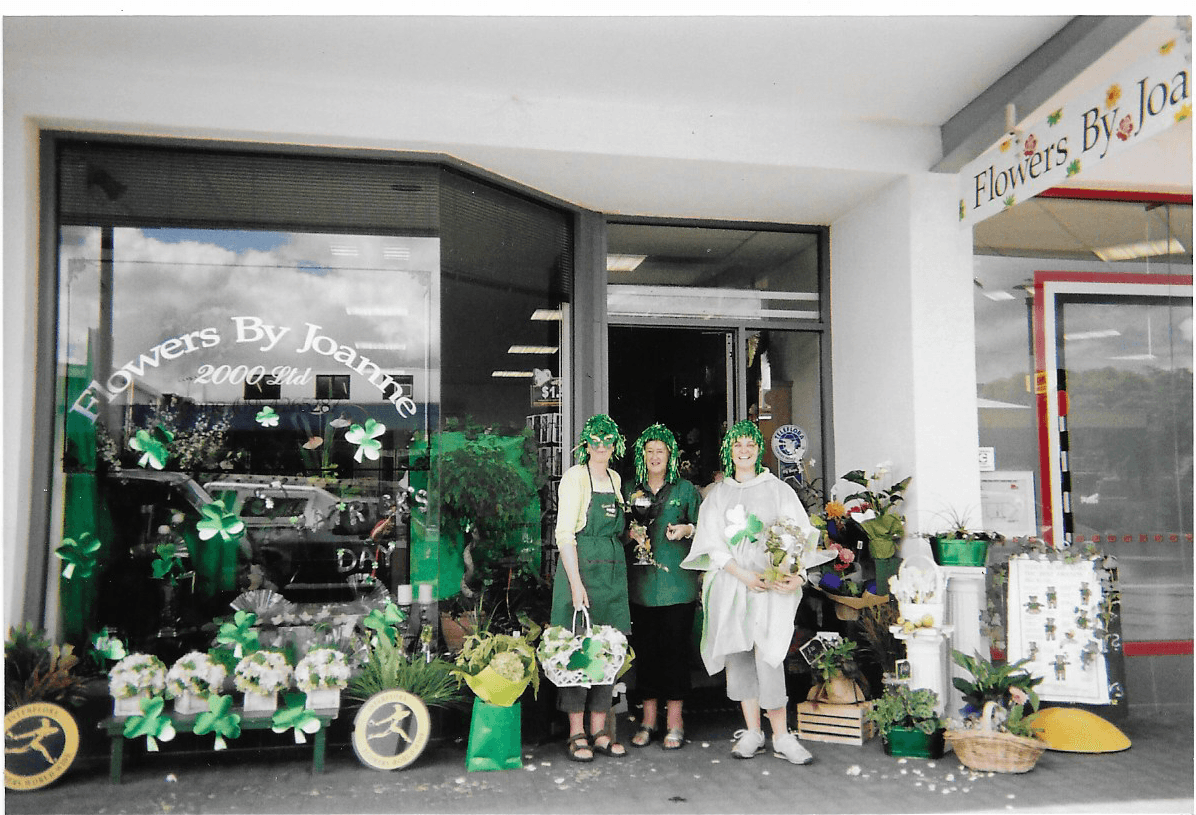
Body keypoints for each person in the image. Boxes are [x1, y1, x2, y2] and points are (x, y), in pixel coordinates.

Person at [680, 420, 827, 766]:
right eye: (737, 445)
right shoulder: (718, 495)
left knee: (770, 655)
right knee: (740, 655)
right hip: (734, 585)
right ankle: (752, 732)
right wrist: (742, 574)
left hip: (770, 587)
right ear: (728, 452)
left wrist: (799, 574)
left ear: (758, 449)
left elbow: (800, 535)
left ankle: (782, 735)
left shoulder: (778, 491)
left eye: (749, 444)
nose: (743, 450)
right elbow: (713, 545)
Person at [550, 414, 632, 762]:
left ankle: (600, 730)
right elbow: (564, 535)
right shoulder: (574, 478)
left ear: (615, 445)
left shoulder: (614, 478)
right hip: (581, 571)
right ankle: (576, 732)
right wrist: (575, 583)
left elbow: (618, 528)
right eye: (595, 442)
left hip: (613, 575)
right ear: (586, 444)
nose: (602, 448)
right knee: (578, 652)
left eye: (608, 442)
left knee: (608, 653)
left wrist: (633, 535)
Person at [623, 424, 702, 751]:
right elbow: (616, 530)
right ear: (642, 456)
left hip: (676, 586)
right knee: (647, 655)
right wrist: (630, 535)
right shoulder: (630, 489)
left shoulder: (685, 490)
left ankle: (675, 722)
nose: (655, 457)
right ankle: (648, 720)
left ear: (670, 456)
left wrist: (687, 528)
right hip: (640, 587)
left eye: (661, 451)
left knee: (675, 655)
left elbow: (707, 531)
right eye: (649, 451)